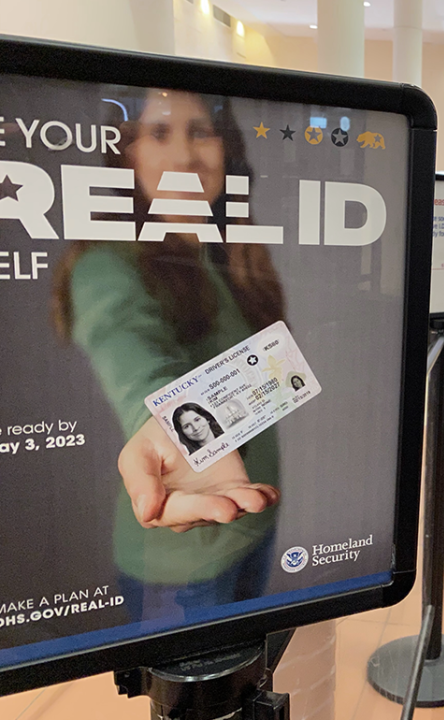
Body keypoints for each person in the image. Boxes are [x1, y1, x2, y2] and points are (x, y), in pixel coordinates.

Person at [52, 88, 285, 619]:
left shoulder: (225, 257)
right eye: (159, 133)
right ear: (128, 155)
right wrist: (162, 421)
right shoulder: (106, 265)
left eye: (199, 131)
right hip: (182, 572)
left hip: (250, 530)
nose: (184, 155)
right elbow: (134, 359)